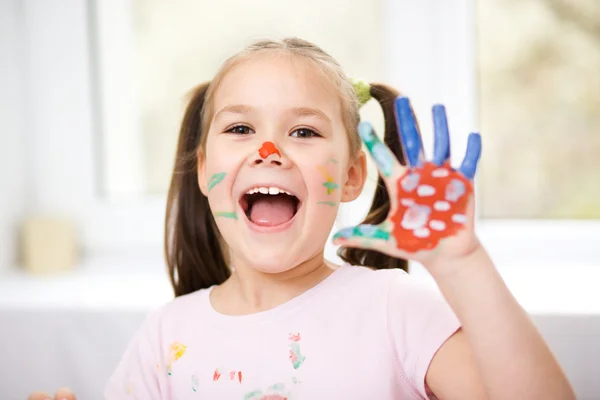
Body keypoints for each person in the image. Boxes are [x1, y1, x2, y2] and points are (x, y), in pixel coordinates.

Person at [29, 37, 575, 399]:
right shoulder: (166, 337)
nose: (269, 149)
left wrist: (463, 263)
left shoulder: (392, 309)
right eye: (240, 129)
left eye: (305, 131)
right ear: (202, 169)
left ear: (355, 176)